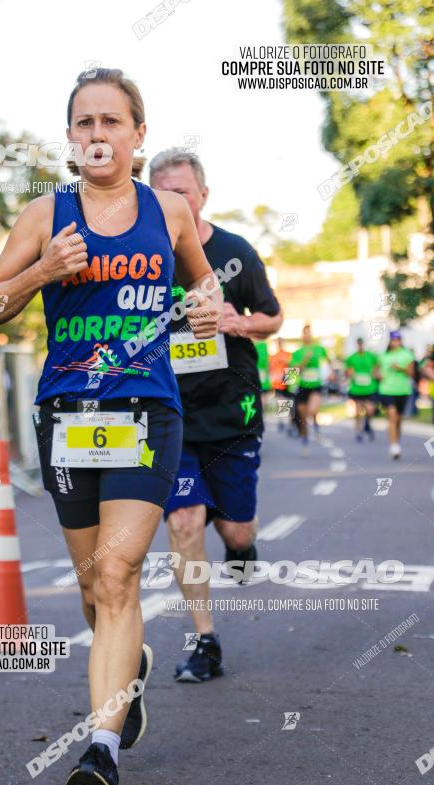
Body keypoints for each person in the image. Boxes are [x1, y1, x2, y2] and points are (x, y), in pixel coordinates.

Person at [0, 69, 222, 785]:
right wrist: (44, 270)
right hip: (66, 415)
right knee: (92, 587)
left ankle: (101, 750)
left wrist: (206, 312)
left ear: (138, 135)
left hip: (147, 412)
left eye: (111, 122)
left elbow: (205, 288)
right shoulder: (43, 213)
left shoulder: (170, 211)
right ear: (71, 138)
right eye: (83, 123)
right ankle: (129, 672)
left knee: (116, 574)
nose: (96, 135)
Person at [149, 148, 282, 683]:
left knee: (234, 527)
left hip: (231, 411)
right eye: (161, 193)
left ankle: (243, 546)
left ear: (202, 195)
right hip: (170, 414)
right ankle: (206, 641)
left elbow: (274, 318)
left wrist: (238, 323)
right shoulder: (143, 257)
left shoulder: (235, 251)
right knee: (184, 522)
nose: (171, 201)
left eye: (180, 192)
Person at [290, 324, 331, 454]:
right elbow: (295, 371)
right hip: (303, 386)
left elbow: (328, 360)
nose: (307, 335)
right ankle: (305, 439)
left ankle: (316, 427)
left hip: (316, 386)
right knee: (302, 415)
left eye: (309, 333)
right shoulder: (297, 352)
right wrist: (305, 359)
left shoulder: (319, 349)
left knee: (312, 410)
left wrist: (331, 372)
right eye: (305, 333)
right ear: (302, 335)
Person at [376, 330, 414, 459]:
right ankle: (394, 446)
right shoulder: (382, 356)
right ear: (390, 341)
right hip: (386, 390)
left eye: (398, 340)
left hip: (402, 390)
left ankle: (396, 440)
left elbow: (412, 374)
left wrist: (400, 369)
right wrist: (378, 376)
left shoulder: (407, 355)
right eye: (393, 340)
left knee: (398, 420)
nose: (396, 342)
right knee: (392, 415)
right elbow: (375, 372)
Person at [345, 337, 378, 441]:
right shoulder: (352, 358)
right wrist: (350, 373)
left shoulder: (371, 356)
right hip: (357, 389)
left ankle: (367, 424)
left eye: (362, 344)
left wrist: (375, 373)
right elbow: (347, 371)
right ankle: (358, 432)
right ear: (357, 345)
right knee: (358, 411)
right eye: (359, 344)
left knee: (370, 410)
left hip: (370, 388)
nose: (360, 346)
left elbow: (377, 367)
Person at [270, 337, 293, 433]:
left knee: (289, 402)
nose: (279, 344)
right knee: (281, 402)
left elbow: (293, 367)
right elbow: (271, 369)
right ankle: (282, 422)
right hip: (278, 383)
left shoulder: (289, 354)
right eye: (278, 342)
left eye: (281, 342)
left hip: (288, 380)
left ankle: (289, 423)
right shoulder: (273, 356)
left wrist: (291, 382)